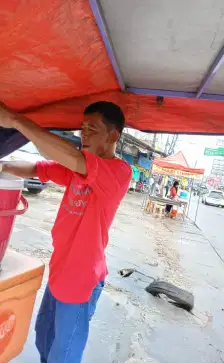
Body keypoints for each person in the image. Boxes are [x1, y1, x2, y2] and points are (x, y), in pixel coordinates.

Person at [0, 101, 132, 363]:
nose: (83, 133)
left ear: (113, 136)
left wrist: (16, 120)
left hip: (82, 279)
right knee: (43, 337)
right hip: (60, 270)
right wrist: (3, 167)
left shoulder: (118, 172)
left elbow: (71, 158)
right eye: (82, 127)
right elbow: (39, 169)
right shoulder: (77, 169)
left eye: (92, 128)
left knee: (64, 354)